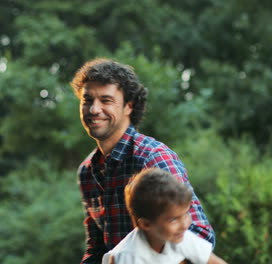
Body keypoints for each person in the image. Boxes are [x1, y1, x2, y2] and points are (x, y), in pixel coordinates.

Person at [70, 58, 215, 264]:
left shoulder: (152, 158)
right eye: (87, 100)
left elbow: (198, 234)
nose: (94, 109)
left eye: (106, 100)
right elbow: (97, 247)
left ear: (129, 106)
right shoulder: (87, 171)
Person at [102, 168, 226, 264]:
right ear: (145, 224)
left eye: (186, 214)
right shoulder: (130, 257)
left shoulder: (180, 236)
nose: (185, 225)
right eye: (173, 219)